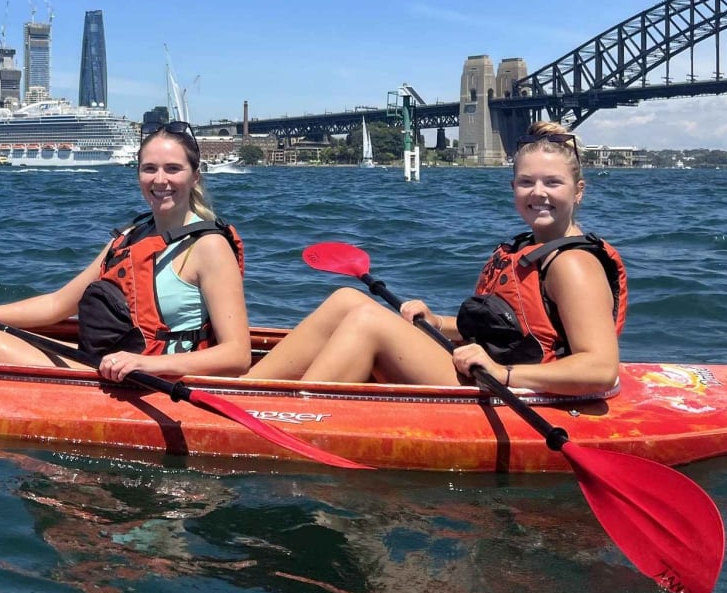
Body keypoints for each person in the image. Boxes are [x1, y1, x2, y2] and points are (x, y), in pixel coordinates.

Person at [243, 120, 625, 394]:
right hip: (488, 368)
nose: (538, 193)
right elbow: (512, 331)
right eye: (527, 182)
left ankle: (293, 418)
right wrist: (437, 321)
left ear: (578, 191)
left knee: (367, 322)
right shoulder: (528, 246)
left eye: (553, 182)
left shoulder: (573, 265)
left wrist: (502, 374)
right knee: (347, 299)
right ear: (513, 187)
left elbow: (600, 369)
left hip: (517, 388)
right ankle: (243, 391)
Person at [0, 121, 250, 382]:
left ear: (195, 176)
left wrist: (148, 364)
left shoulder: (208, 246)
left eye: (173, 169)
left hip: (149, 378)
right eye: (149, 169)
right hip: (104, 364)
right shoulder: (131, 236)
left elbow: (237, 355)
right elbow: (57, 305)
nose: (160, 180)